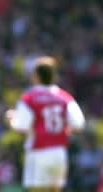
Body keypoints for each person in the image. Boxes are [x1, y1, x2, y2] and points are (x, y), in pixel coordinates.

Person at [6, 56, 85, 192]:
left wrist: (11, 119)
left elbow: (21, 127)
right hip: (59, 153)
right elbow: (79, 125)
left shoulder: (29, 98)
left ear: (36, 76)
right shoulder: (65, 97)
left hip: (39, 153)